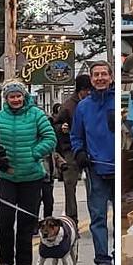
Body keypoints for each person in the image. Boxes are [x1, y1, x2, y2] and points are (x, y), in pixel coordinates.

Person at [0, 79, 56, 265]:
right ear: (6, 98)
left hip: (31, 176)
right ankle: (4, 261)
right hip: (7, 176)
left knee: (27, 220)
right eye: (11, 96)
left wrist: (34, 153)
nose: (15, 99)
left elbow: (50, 138)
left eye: (18, 96)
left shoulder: (36, 115)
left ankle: (24, 263)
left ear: (24, 96)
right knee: (5, 219)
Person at [71, 61, 116, 265]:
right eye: (96, 75)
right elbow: (76, 135)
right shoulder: (83, 107)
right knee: (98, 218)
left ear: (111, 76)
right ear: (90, 79)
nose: (100, 78)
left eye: (104, 74)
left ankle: (118, 255)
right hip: (95, 168)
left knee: (120, 217)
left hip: (116, 167)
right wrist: (79, 151)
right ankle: (103, 262)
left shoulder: (118, 102)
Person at [53, 74, 91, 226]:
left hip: (91, 147)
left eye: (90, 89)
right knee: (70, 185)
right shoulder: (68, 106)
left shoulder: (93, 102)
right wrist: (61, 128)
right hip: (70, 149)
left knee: (93, 186)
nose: (88, 92)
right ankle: (72, 219)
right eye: (86, 90)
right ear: (80, 90)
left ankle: (95, 215)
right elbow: (55, 124)